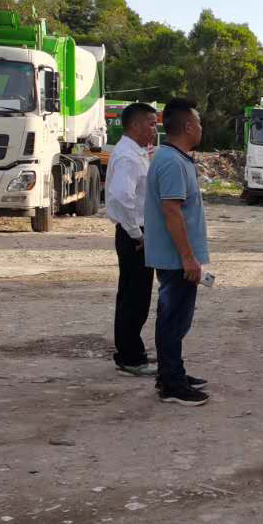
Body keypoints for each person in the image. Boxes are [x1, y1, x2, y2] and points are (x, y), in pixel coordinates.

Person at [143, 98, 211, 407]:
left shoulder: (175, 158)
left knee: (174, 319)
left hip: (177, 256)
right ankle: (172, 383)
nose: (201, 128)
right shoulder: (171, 161)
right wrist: (187, 257)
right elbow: (172, 211)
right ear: (187, 127)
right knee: (173, 320)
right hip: (176, 258)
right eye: (198, 123)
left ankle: (172, 373)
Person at [106, 102, 159, 376]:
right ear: (135, 125)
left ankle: (131, 352)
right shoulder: (128, 156)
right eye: (151, 123)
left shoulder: (135, 152)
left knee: (134, 295)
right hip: (134, 235)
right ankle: (130, 357)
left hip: (135, 232)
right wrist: (138, 234)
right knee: (134, 298)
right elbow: (121, 197)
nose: (155, 129)